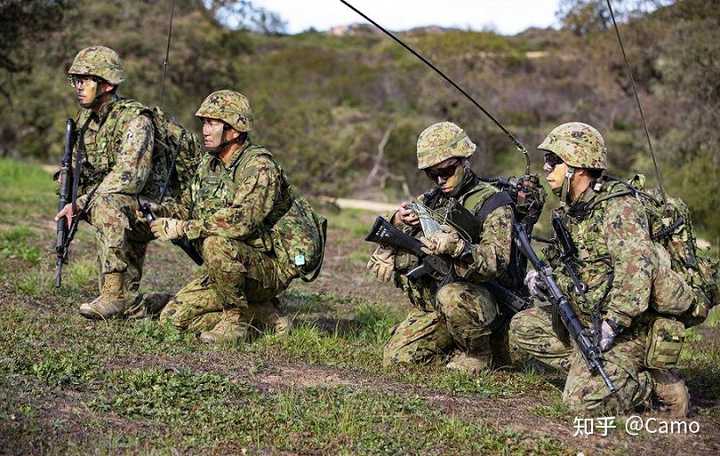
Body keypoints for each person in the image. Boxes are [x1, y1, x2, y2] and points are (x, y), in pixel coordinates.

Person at [508, 122, 689, 416]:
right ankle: (590, 369)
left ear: (577, 167)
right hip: (586, 318)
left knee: (581, 403)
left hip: (628, 330)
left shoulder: (619, 209)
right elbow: (564, 261)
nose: (546, 168)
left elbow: (637, 275)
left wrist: (612, 325)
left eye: (554, 161)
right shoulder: (572, 211)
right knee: (522, 327)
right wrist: (540, 279)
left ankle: (652, 386)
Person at [150, 90, 325, 344]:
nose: (205, 130)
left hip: (270, 267)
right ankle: (265, 315)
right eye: (204, 123)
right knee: (174, 318)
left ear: (234, 131)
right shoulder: (208, 164)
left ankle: (236, 321)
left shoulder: (259, 167)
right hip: (233, 265)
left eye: (212, 123)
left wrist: (183, 228)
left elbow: (241, 222)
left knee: (215, 243)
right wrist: (159, 212)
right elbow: (188, 207)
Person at [367, 121, 516, 373]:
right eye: (431, 174)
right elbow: (408, 232)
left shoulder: (493, 203)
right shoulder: (432, 199)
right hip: (436, 303)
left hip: (478, 300)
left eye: (446, 171)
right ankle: (454, 344)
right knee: (396, 359)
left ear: (464, 160)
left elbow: (496, 262)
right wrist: (395, 229)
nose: (439, 179)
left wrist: (459, 247)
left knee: (452, 296)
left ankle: (479, 353)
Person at [54, 46, 165, 319]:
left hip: (161, 205)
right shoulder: (87, 121)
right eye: (75, 81)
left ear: (106, 84)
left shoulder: (136, 120)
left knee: (104, 203)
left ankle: (113, 295)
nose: (78, 87)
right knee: (104, 202)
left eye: (85, 80)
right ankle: (145, 302)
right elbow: (89, 173)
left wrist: (81, 203)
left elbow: (130, 177)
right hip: (129, 204)